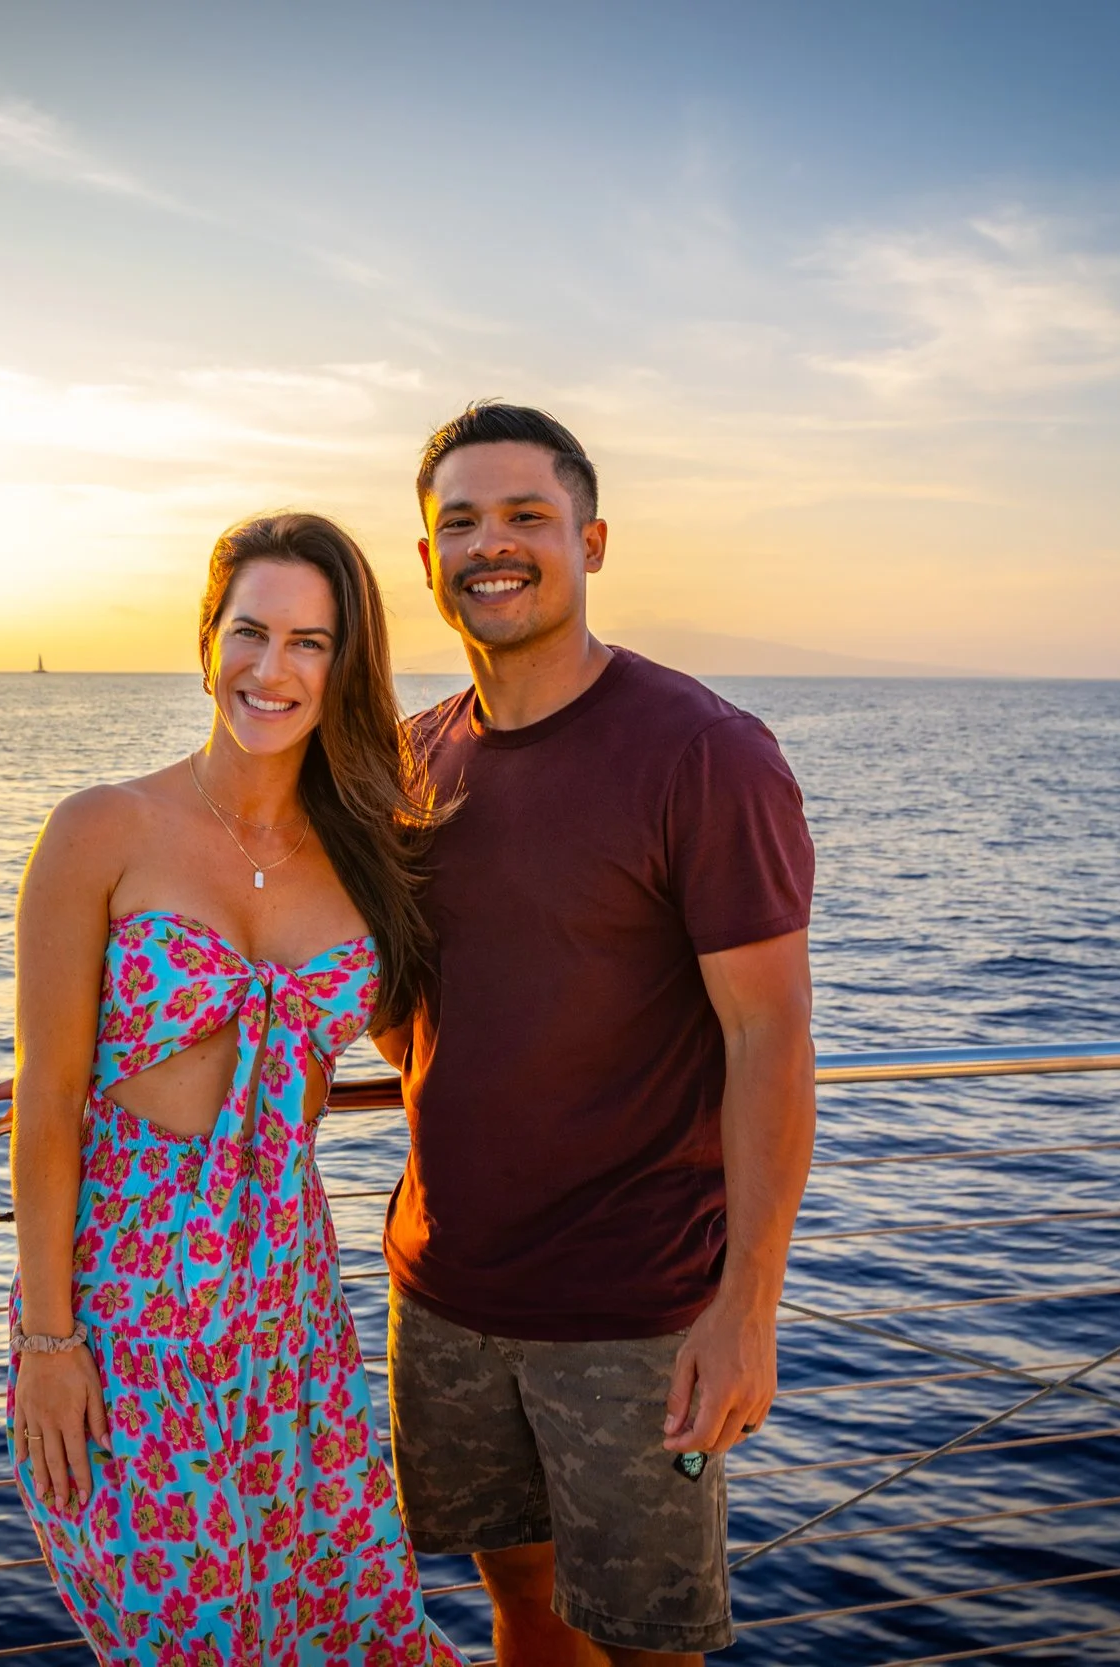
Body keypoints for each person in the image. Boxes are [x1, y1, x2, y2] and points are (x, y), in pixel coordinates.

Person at [377, 403, 819, 1664]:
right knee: (516, 1599)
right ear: (427, 560)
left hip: (634, 1314)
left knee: (647, 1643)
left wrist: (748, 1305)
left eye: (526, 515)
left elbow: (771, 1041)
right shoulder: (412, 761)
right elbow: (375, 1000)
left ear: (592, 540)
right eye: (458, 521)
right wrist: (96, 1060)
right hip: (445, 1289)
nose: (491, 544)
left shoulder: (702, 751)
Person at [6, 512, 464, 1665]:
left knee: (355, 1623)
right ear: (207, 639)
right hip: (126, 1312)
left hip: (290, 1310)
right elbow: (47, 1100)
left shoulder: (371, 852)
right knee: (188, 1634)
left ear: (342, 665)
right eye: (251, 631)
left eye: (309, 642)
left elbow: (452, 1038)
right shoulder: (103, 828)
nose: (273, 668)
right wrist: (50, 1345)